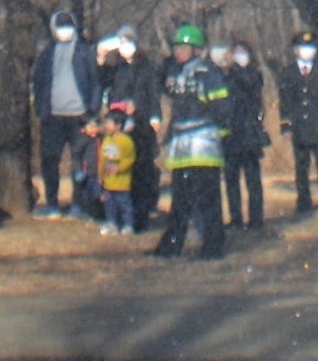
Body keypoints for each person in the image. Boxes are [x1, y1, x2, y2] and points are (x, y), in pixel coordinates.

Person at [151, 27, 235, 262]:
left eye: (184, 47)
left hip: (203, 142)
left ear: (197, 50)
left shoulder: (209, 73)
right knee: (180, 199)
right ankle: (172, 245)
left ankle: (213, 247)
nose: (178, 51)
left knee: (208, 200)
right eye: (176, 47)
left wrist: (222, 134)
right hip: (181, 143)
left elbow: (223, 106)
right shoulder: (175, 72)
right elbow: (159, 80)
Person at [30, 11, 97, 214]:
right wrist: (40, 109)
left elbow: (95, 82)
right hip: (52, 117)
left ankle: (78, 203)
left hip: (80, 117)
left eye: (67, 26)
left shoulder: (85, 51)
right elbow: (38, 82)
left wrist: (92, 112)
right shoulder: (46, 54)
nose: (64, 30)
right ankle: (52, 204)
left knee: (80, 162)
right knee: (50, 161)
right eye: (60, 26)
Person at [281, 34, 318, 217]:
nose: (308, 50)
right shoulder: (289, 72)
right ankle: (304, 202)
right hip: (300, 127)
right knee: (301, 167)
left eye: (311, 46)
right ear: (295, 50)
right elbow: (285, 101)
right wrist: (286, 126)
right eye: (304, 46)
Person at [222, 40, 273, 230]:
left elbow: (250, 85)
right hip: (231, 133)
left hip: (249, 133)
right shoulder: (226, 76)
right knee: (231, 179)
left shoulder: (253, 75)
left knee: (253, 179)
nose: (239, 56)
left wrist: (234, 68)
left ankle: (256, 219)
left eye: (243, 52)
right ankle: (236, 218)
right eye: (236, 52)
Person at [96, 99, 141, 233]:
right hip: (109, 182)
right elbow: (102, 160)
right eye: (106, 124)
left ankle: (128, 225)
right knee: (110, 205)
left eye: (109, 124)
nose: (107, 127)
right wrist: (101, 175)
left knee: (124, 204)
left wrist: (120, 168)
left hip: (122, 182)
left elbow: (130, 158)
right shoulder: (106, 141)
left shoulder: (126, 141)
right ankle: (112, 224)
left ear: (118, 125)